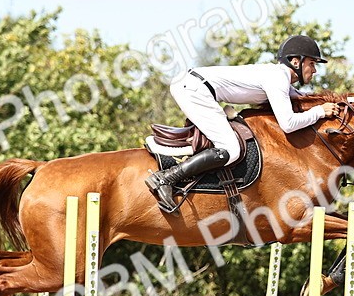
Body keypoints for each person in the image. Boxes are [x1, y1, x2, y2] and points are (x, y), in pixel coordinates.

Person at [145, 34, 338, 213]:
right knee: (231, 148)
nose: (314, 70)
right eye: (312, 63)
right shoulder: (278, 78)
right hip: (194, 89)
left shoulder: (280, 78)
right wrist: (320, 112)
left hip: (194, 86)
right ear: (296, 61)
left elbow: (307, 99)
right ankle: (165, 179)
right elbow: (288, 124)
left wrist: (348, 103)